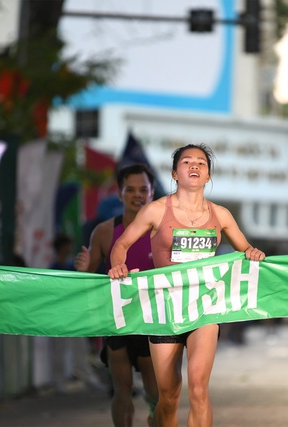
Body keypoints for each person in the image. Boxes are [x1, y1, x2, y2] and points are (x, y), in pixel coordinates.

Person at [108, 144, 265, 427]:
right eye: (187, 162)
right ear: (174, 173)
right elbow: (121, 244)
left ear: (207, 176)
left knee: (198, 389)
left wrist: (253, 253)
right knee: (168, 398)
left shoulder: (222, 215)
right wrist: (118, 264)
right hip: (164, 310)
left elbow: (247, 251)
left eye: (201, 163)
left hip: (205, 307)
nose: (194, 166)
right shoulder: (156, 211)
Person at [75, 164, 159, 427]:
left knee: (157, 396)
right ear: (120, 193)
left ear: (152, 193)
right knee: (121, 392)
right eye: (130, 189)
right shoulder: (104, 232)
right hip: (117, 322)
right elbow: (86, 279)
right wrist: (83, 268)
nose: (137, 195)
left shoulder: (162, 232)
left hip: (152, 323)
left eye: (143, 190)